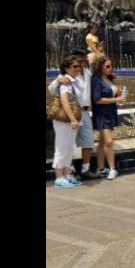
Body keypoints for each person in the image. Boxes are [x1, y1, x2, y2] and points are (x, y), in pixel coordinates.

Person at [48, 50, 103, 180]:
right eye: (81, 57)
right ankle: (68, 172)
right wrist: (58, 80)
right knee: (67, 144)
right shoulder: (67, 75)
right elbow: (52, 90)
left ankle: (85, 169)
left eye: (84, 57)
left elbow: (101, 63)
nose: (84, 60)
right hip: (71, 113)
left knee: (88, 141)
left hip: (85, 112)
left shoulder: (87, 72)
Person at [51, 56, 84, 188]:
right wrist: (73, 119)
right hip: (65, 120)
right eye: (75, 66)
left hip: (72, 119)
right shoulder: (65, 81)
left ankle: (67, 174)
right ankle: (59, 177)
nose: (78, 68)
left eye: (79, 66)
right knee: (62, 147)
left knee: (70, 147)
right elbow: (65, 101)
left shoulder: (75, 80)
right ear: (66, 68)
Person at [91, 55, 126, 180]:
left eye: (111, 66)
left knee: (102, 141)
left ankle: (101, 168)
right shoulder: (96, 80)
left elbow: (111, 94)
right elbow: (98, 100)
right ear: (100, 67)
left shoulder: (109, 78)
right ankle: (112, 168)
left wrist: (118, 92)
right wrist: (117, 99)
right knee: (109, 142)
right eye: (107, 66)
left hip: (110, 112)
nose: (110, 68)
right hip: (102, 114)